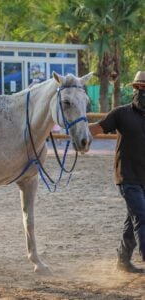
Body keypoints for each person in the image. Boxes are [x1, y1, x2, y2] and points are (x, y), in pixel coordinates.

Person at [89, 71, 145, 273]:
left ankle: (123, 260)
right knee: (142, 217)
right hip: (127, 177)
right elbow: (96, 128)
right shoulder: (121, 114)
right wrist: (77, 130)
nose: (141, 91)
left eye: (144, 88)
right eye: (138, 87)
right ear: (133, 89)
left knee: (133, 220)